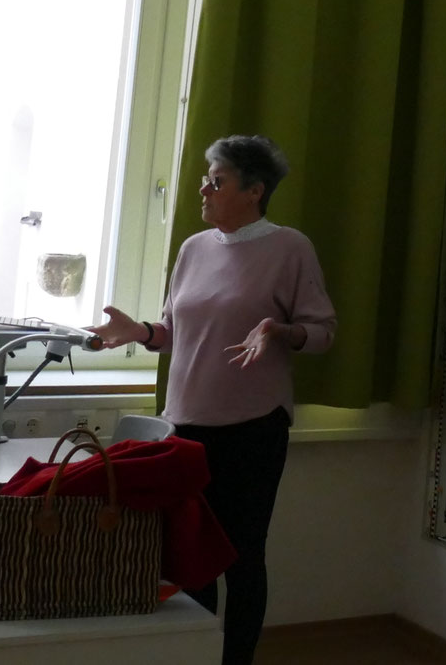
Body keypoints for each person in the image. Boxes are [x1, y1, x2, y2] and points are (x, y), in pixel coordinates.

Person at [90, 135, 335, 665]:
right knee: (190, 556)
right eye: (207, 179)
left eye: (217, 181)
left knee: (242, 558)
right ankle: (196, 656)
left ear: (254, 191)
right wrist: (140, 332)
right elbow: (173, 332)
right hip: (184, 427)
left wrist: (279, 330)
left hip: (252, 429)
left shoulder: (290, 247)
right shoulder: (193, 248)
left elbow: (322, 333)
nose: (204, 189)